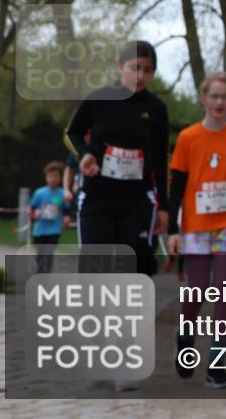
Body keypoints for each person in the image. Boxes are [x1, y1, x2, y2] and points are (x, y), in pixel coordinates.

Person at [166, 71, 226, 390]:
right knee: (198, 289)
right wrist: (174, 230)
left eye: (225, 96)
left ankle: (216, 366)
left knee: (224, 292)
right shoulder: (188, 138)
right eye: (214, 95)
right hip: (195, 225)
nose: (219, 101)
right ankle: (185, 332)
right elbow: (176, 185)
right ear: (203, 99)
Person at [64, 40, 169, 277]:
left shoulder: (156, 108)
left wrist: (164, 206)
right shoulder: (99, 99)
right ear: (120, 66)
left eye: (148, 70)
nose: (140, 75)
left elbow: (162, 159)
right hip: (97, 197)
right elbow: (71, 133)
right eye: (135, 67)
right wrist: (86, 154)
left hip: (137, 201)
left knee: (136, 268)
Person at [30, 161, 70, 273]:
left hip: (54, 230)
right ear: (46, 178)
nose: (53, 179)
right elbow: (32, 209)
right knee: (41, 254)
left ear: (60, 178)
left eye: (56, 176)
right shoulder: (39, 193)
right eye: (51, 176)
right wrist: (34, 214)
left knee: (49, 253)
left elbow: (66, 209)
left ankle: (46, 275)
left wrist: (66, 218)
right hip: (40, 230)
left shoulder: (62, 194)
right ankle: (40, 273)